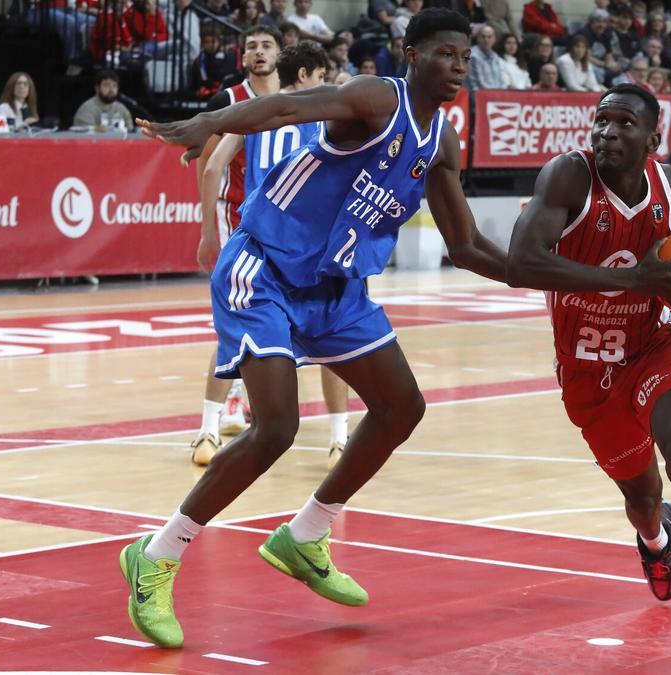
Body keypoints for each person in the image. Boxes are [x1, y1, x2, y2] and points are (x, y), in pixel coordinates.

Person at [127, 8, 509, 648]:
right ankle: (157, 555)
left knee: (401, 406)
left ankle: (304, 535)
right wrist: (209, 122)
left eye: (465, 59)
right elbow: (281, 110)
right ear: (410, 54)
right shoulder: (373, 97)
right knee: (276, 427)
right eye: (446, 54)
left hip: (336, 288)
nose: (458, 68)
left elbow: (467, 246)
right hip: (266, 266)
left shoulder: (440, 139)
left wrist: (568, 275)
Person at [506, 83, 671, 675]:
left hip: (655, 343)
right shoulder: (568, 177)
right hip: (588, 368)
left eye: (624, 123)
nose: (607, 131)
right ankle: (656, 540)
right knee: (642, 497)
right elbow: (521, 263)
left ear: (652, 138)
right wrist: (635, 284)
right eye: (601, 121)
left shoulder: (669, 185)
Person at [199, 43, 356, 468]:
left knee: (238, 334)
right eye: (322, 76)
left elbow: (213, 167)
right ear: (306, 75)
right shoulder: (323, 116)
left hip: (257, 242)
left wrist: (206, 232)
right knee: (333, 339)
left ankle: (207, 431)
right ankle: (340, 439)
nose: (326, 85)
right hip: (309, 245)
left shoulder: (255, 111)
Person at [188, 26, 284, 465]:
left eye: (266, 46)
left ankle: (237, 403)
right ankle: (207, 427)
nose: (258, 53)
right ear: (241, 56)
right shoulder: (228, 101)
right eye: (251, 47)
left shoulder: (296, 100)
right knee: (236, 319)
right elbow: (205, 163)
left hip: (281, 230)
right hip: (235, 221)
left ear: (282, 55)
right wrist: (207, 229)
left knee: (266, 318)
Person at [191, 26, 239, 99]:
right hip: (205, 95)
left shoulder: (226, 57)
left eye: (213, 41)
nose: (210, 45)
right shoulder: (198, 61)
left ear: (218, 42)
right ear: (202, 44)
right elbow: (195, 83)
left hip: (222, 93)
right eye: (207, 42)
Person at [466, 25, 507, 89]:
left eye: (489, 37)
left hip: (496, 95)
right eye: (483, 36)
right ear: (478, 39)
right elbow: (475, 83)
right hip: (477, 95)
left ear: (494, 39)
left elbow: (501, 80)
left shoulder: (495, 56)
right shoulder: (472, 56)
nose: (486, 40)